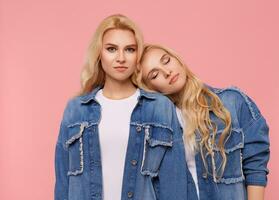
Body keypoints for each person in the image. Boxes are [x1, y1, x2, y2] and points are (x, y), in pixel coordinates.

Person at [54, 15, 194, 200]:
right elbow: (63, 184)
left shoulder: (160, 108)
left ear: (137, 56)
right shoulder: (76, 110)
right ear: (99, 54)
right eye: (111, 49)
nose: (121, 58)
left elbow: (174, 184)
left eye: (129, 49)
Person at [137, 44, 270, 200]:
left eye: (166, 61)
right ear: (150, 87)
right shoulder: (155, 127)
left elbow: (255, 167)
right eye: (154, 75)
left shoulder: (232, 102)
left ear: (177, 59)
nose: (167, 72)